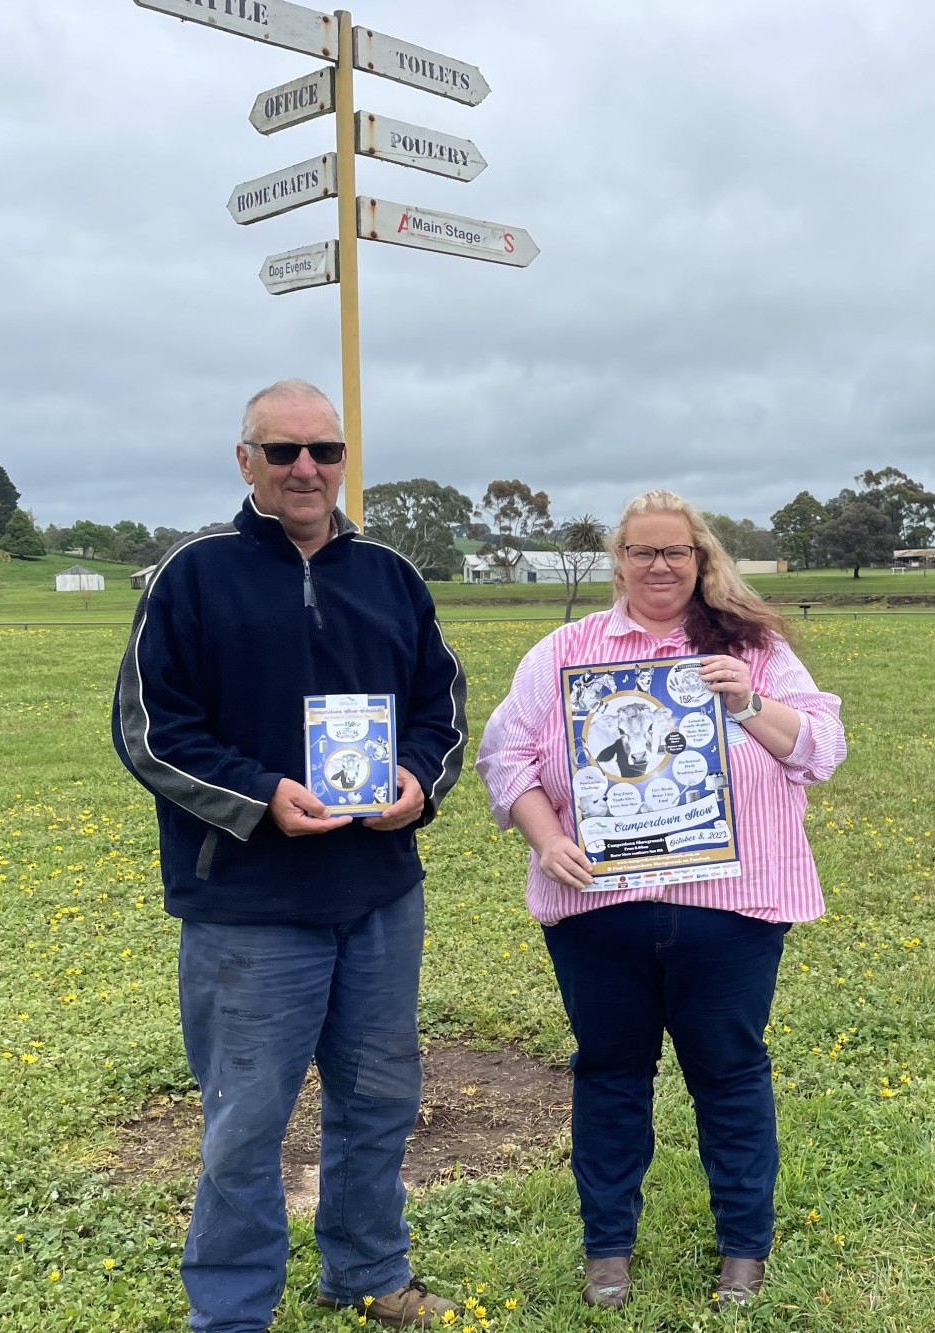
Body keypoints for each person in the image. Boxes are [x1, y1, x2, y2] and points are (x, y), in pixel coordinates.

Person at [112, 379, 468, 1332]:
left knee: (381, 1100)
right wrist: (263, 797)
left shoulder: (392, 574)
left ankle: (366, 1270)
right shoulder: (192, 574)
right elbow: (150, 731)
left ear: (345, 458)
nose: (306, 468)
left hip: (379, 895)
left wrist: (415, 782)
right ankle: (231, 1311)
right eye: (282, 451)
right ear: (246, 461)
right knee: (245, 1122)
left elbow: (441, 707)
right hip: (248, 907)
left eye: (324, 450)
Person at [475, 490, 845, 1309]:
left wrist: (746, 700)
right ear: (619, 561)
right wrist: (546, 838)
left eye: (677, 551)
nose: (660, 566)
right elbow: (505, 758)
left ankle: (744, 1249)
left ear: (702, 558)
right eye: (643, 552)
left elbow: (822, 747)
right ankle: (608, 1250)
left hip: (733, 910)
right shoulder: (564, 652)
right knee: (609, 1074)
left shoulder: (754, 648)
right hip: (600, 913)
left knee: (731, 1075)